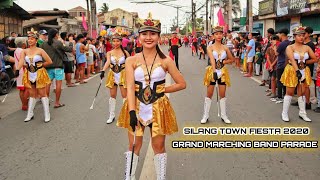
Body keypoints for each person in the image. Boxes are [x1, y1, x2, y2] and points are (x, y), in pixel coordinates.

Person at [117, 13, 186, 179]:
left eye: (153, 33)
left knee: (159, 146)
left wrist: (163, 90)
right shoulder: (131, 60)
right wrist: (132, 112)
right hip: (137, 107)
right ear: (139, 37)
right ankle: (129, 177)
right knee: (134, 145)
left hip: (158, 108)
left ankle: (160, 177)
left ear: (158, 36)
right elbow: (131, 87)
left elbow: (182, 83)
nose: (148, 37)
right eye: (144, 34)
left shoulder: (166, 61)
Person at [280, 26, 317, 122]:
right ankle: (284, 113)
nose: (302, 37)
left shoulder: (307, 47)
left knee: (302, 92)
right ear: (294, 36)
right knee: (290, 92)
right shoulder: (290, 47)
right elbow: (291, 60)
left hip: (304, 70)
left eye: (303, 35)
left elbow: (314, 59)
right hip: (292, 70)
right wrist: (297, 71)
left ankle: (302, 113)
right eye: (299, 35)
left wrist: (305, 63)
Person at [15, 30, 52, 122]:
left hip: (39, 74)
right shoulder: (25, 51)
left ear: (36, 40)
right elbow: (21, 61)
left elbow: (49, 61)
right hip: (30, 74)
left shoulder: (40, 50)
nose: (30, 40)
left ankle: (47, 114)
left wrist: (41, 65)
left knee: (42, 94)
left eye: (32, 39)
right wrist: (17, 69)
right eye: (29, 39)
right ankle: (30, 114)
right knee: (32, 94)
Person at [201, 26, 234, 124]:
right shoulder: (210, 47)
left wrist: (225, 61)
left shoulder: (225, 47)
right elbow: (211, 59)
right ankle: (205, 115)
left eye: (220, 33)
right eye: (216, 34)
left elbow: (232, 59)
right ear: (213, 36)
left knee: (222, 94)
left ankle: (224, 115)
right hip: (212, 71)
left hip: (223, 72)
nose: (219, 35)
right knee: (209, 94)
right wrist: (215, 71)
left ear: (222, 35)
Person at [100, 32, 130, 124]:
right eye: (114, 41)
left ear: (121, 42)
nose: (115, 43)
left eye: (117, 41)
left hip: (123, 75)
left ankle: (126, 116)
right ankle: (111, 115)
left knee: (124, 96)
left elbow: (129, 64)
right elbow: (108, 62)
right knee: (112, 96)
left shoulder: (125, 53)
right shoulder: (109, 53)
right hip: (113, 75)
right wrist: (103, 70)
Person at [41, 29, 73, 108]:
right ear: (55, 35)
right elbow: (69, 49)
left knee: (47, 84)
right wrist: (71, 42)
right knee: (58, 84)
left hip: (48, 66)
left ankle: (46, 101)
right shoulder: (58, 42)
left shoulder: (43, 44)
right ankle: (57, 102)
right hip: (58, 65)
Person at [274, 28, 291, 104]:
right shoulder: (290, 43)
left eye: (279, 34)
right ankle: (284, 96)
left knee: (279, 81)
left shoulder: (282, 44)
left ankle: (279, 97)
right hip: (288, 64)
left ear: (282, 34)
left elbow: (276, 54)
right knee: (285, 81)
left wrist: (274, 46)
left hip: (281, 64)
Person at [14, 37, 29, 110]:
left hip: (18, 70)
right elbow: (24, 62)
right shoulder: (23, 51)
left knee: (21, 89)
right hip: (23, 70)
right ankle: (26, 105)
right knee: (26, 88)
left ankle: (23, 104)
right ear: (23, 44)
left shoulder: (16, 50)